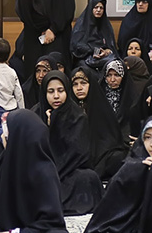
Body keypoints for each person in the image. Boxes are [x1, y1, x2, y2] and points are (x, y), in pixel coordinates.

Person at [37, 71, 103, 214]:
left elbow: (79, 154)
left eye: (60, 91)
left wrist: (56, 125)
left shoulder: (77, 116)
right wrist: (48, 127)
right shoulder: (36, 114)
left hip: (69, 170)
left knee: (89, 177)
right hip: (45, 169)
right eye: (51, 91)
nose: (56, 96)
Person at [69, 66, 127, 180]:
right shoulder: (69, 111)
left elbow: (110, 141)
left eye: (83, 83)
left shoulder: (101, 107)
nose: (79, 88)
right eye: (75, 84)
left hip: (102, 159)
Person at [70, 0, 117, 72]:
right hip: (85, 57)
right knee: (87, 70)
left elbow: (111, 46)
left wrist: (107, 51)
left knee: (115, 65)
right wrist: (94, 50)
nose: (98, 10)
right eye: (96, 7)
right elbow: (77, 46)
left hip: (104, 58)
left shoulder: (106, 26)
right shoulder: (82, 25)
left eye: (101, 8)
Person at [101, 59, 136, 144]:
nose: (112, 79)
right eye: (109, 75)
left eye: (117, 75)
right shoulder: (98, 94)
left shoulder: (131, 95)